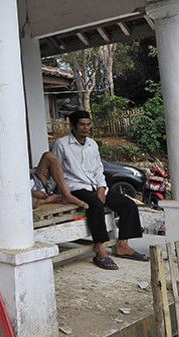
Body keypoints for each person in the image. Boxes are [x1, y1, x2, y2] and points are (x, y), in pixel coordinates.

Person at [52, 110, 147, 270]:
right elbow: (55, 169)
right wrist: (55, 192)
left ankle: (122, 245)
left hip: (96, 185)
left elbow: (98, 169)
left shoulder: (92, 144)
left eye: (88, 124)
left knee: (127, 204)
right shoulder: (61, 145)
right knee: (95, 205)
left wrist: (102, 187)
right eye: (82, 124)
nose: (86, 128)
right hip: (75, 187)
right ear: (73, 126)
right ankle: (100, 248)